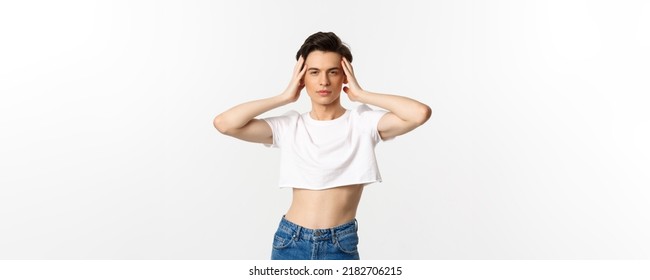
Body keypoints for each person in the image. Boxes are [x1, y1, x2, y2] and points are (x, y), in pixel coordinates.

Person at [213, 32, 431, 260]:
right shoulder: (290, 126)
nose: (323, 81)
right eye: (314, 72)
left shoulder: (363, 123)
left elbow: (419, 114)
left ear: (344, 76)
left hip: (341, 244)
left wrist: (361, 94)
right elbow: (225, 124)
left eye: (333, 72)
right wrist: (284, 97)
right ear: (301, 78)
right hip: (291, 241)